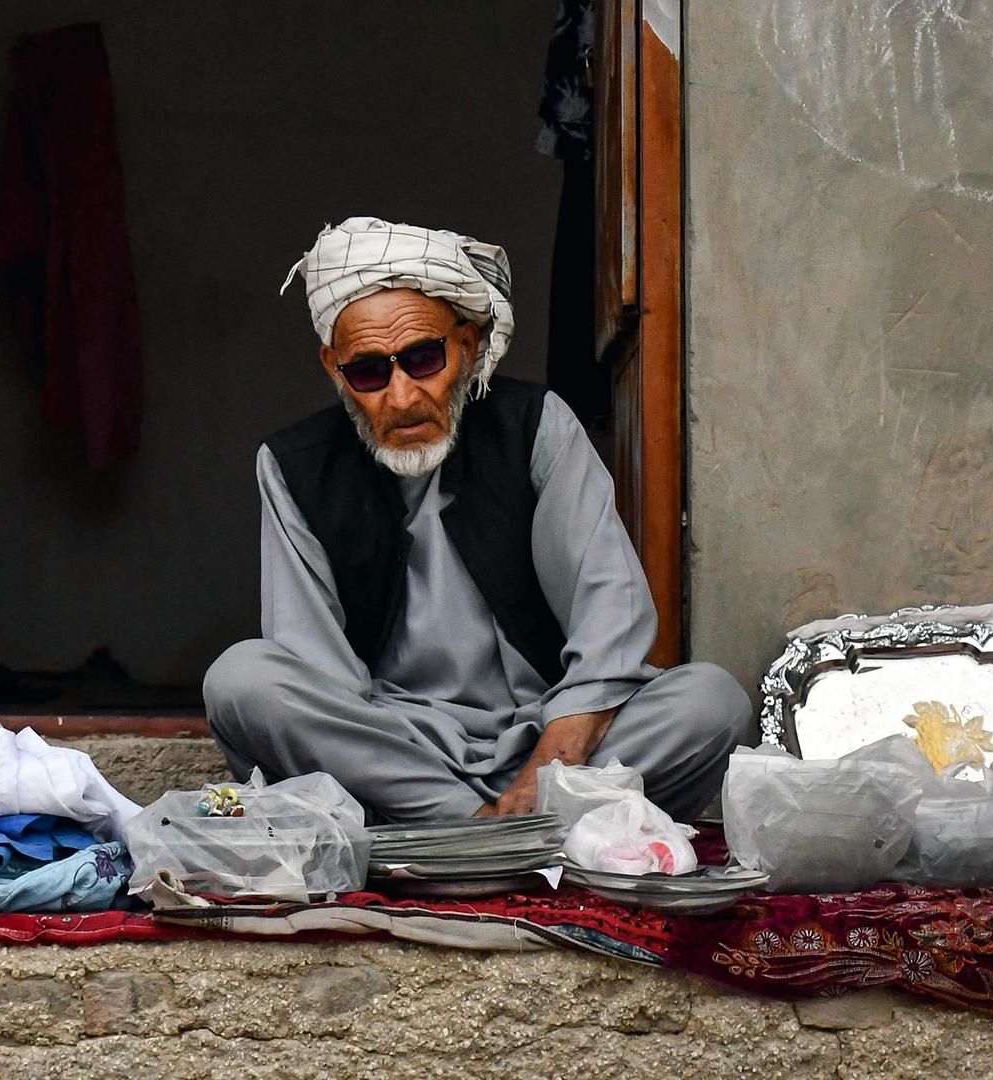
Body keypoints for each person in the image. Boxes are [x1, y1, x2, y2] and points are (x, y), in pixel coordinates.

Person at [204, 218, 750, 823]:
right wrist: (456, 800)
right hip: (397, 756)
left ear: (466, 344)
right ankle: (485, 831)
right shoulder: (294, 465)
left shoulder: (535, 425)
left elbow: (609, 626)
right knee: (241, 681)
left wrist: (545, 774)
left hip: (549, 743)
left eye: (423, 359)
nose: (402, 397)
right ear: (335, 369)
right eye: (369, 372)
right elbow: (318, 678)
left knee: (710, 701)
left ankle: (475, 838)